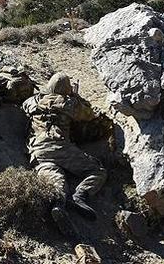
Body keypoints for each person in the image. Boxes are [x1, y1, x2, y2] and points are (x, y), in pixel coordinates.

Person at [21, 73, 109, 230]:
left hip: (37, 151)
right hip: (59, 147)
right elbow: (89, 114)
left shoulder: (32, 101)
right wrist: (76, 97)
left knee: (56, 178)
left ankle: (58, 205)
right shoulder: (69, 103)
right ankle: (80, 195)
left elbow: (25, 108)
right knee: (98, 171)